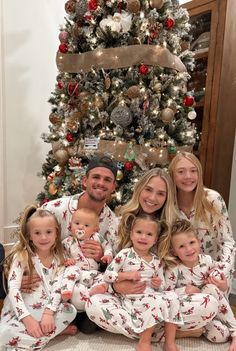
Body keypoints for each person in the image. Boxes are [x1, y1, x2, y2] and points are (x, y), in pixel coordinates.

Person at [86, 168, 219, 341]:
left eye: (161, 193)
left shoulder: (173, 227)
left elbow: (179, 272)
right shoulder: (118, 222)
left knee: (209, 304)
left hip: (160, 297)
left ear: (167, 197)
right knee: (93, 304)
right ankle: (167, 334)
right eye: (148, 189)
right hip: (124, 297)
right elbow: (110, 270)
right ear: (139, 189)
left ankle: (148, 334)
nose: (152, 198)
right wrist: (116, 287)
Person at [21, 155, 118, 333]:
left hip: (85, 280)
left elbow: (116, 262)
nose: (101, 183)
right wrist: (26, 270)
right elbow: (26, 239)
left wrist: (101, 256)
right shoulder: (54, 208)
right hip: (51, 273)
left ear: (113, 187)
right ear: (84, 180)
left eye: (107, 180)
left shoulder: (112, 222)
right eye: (96, 177)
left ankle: (79, 313)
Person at [0, 205, 77, 351]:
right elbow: (13, 289)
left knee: (70, 311)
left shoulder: (61, 258)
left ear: (56, 233)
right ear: (29, 235)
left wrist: (49, 313)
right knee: (4, 335)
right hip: (22, 307)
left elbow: (57, 288)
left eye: (48, 232)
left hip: (47, 307)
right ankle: (51, 333)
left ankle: (39, 334)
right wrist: (26, 319)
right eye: (37, 233)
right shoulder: (22, 256)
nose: (43, 237)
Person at [102, 213, 183, 351]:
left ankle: (169, 342)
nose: (143, 237)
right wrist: (125, 275)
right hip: (133, 299)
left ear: (155, 239)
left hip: (151, 295)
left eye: (149, 234)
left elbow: (162, 285)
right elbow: (107, 276)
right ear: (131, 234)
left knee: (173, 297)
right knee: (155, 301)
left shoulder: (156, 260)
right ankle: (144, 343)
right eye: (139, 232)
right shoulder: (125, 254)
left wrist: (158, 284)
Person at [159, 219, 236, 350]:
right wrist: (185, 290)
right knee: (209, 289)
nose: (188, 249)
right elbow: (165, 295)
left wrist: (223, 285)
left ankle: (232, 330)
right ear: (174, 251)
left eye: (191, 242)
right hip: (190, 312)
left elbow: (221, 289)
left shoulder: (207, 261)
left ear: (199, 242)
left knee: (220, 335)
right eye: (181, 246)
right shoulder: (174, 269)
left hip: (211, 311)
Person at [168, 151, 235, 290]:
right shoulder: (168, 204)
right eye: (181, 171)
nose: (188, 176)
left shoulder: (212, 199)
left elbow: (228, 242)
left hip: (213, 275)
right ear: (172, 175)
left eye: (193, 171)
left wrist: (219, 271)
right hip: (181, 278)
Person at [61, 208, 112, 302]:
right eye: (77, 223)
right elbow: (61, 253)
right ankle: (66, 290)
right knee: (70, 271)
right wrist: (67, 259)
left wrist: (107, 255)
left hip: (93, 272)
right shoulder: (68, 241)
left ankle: (95, 290)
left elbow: (107, 246)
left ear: (95, 229)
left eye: (86, 225)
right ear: (70, 225)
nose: (80, 227)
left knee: (103, 278)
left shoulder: (97, 237)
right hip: (77, 274)